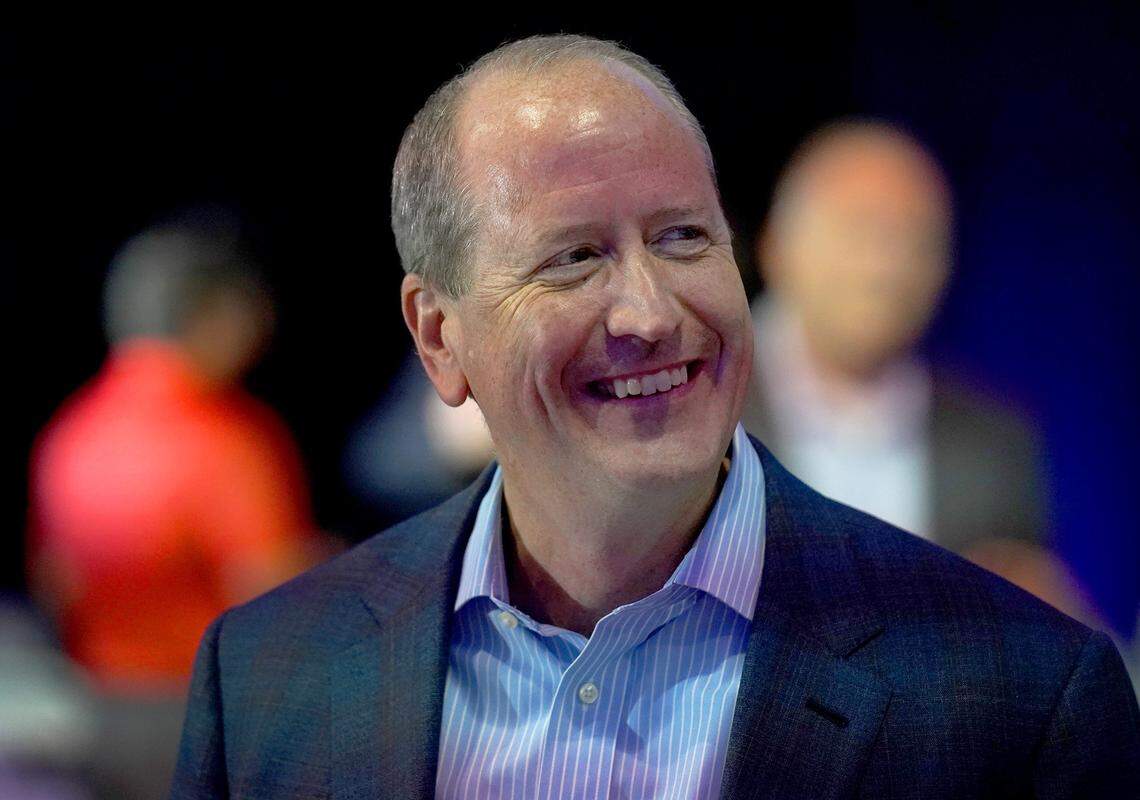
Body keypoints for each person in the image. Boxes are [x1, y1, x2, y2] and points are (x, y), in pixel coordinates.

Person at [170, 36, 1139, 799]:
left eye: (681, 238)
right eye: (573, 258)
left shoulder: (1027, 698)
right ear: (438, 335)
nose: (649, 312)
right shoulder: (263, 679)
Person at [743, 120, 1090, 620]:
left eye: (915, 241)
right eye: (859, 231)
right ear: (775, 246)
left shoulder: (996, 446)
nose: (884, 268)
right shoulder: (701, 407)